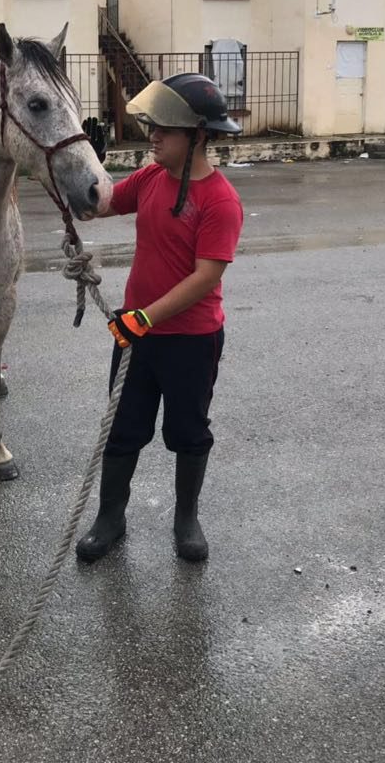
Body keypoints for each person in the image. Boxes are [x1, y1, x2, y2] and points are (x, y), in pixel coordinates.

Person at [76, 73, 244, 563]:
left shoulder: (220, 201)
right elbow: (102, 203)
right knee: (122, 428)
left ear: (197, 136)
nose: (154, 137)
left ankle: (186, 517)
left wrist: (144, 318)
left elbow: (205, 278)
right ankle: (111, 517)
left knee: (188, 432)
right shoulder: (151, 178)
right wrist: (81, 175)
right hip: (136, 333)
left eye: (164, 130)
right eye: (153, 127)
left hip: (190, 340)